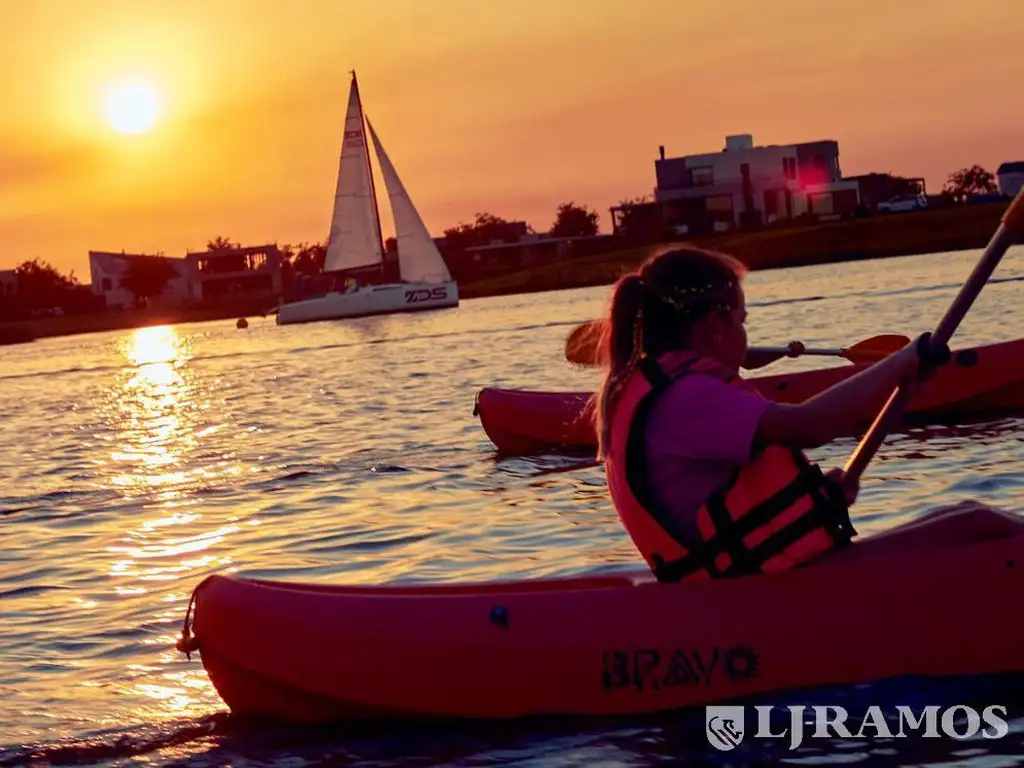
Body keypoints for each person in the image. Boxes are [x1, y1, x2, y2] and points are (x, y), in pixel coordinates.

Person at [592, 246, 1024, 583]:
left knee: (962, 514)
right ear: (715, 325)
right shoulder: (687, 398)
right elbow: (810, 425)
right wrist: (903, 362)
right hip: (764, 594)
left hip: (763, 578)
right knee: (980, 524)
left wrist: (819, 498)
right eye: (742, 320)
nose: (744, 333)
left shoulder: (665, 392)